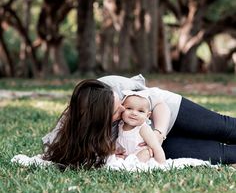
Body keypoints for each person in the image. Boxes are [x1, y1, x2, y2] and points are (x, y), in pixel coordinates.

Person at [42, 74, 236, 169]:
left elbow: (159, 105)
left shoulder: (113, 86)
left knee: (225, 128)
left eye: (121, 105)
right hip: (145, 144)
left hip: (164, 114)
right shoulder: (72, 127)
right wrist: (106, 149)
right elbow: (52, 148)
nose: (123, 110)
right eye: (117, 112)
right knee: (219, 153)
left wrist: (159, 134)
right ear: (98, 120)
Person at [116, 90, 166, 164]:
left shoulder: (143, 128)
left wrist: (162, 164)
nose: (134, 113)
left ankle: (133, 165)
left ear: (147, 115)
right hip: (125, 156)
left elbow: (156, 147)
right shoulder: (120, 125)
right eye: (129, 108)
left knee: (146, 153)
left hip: (140, 157)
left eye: (141, 111)